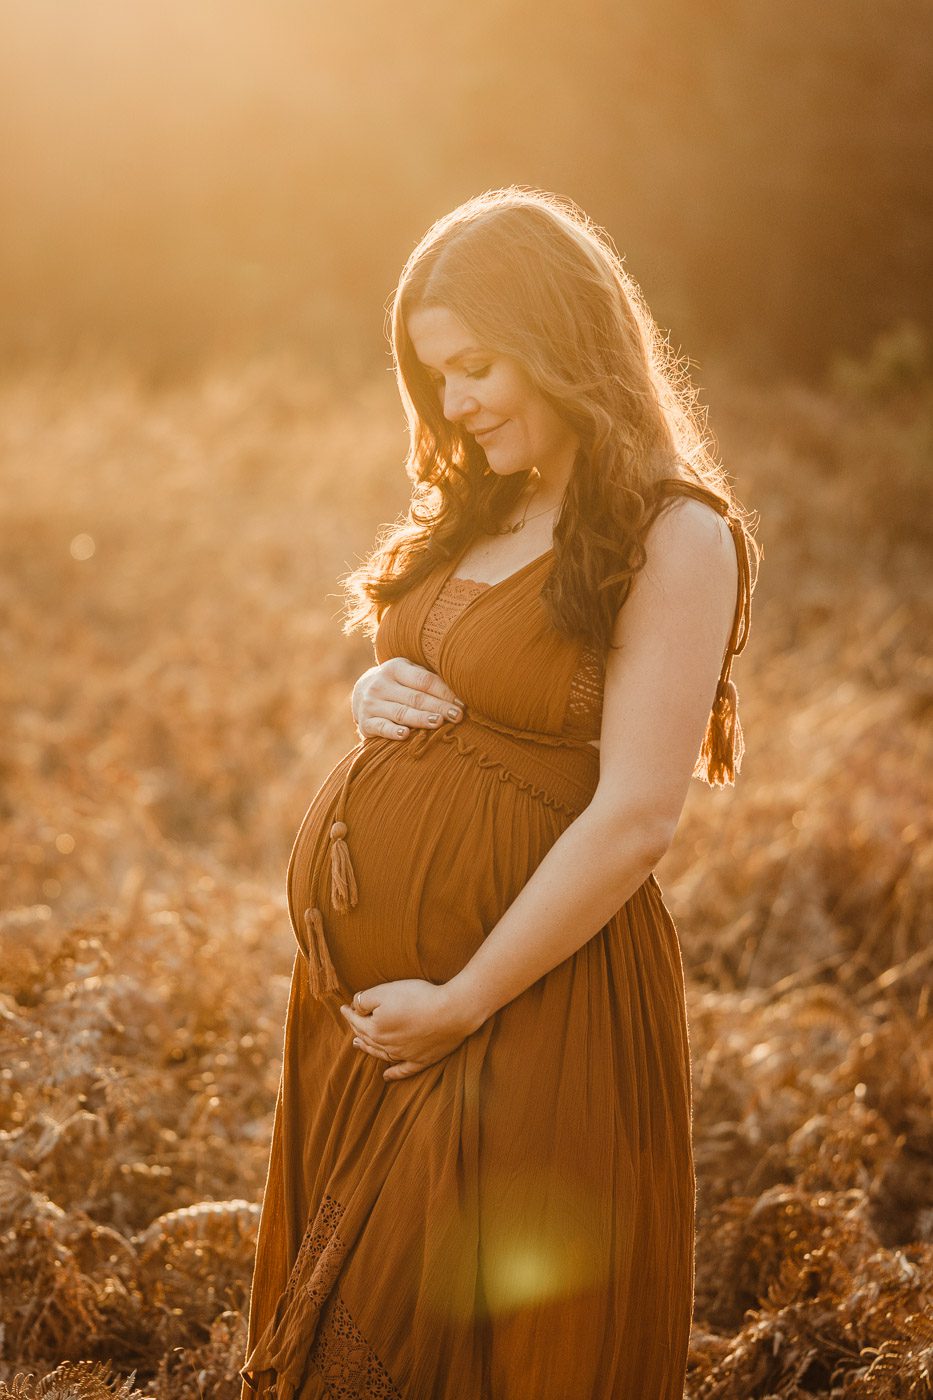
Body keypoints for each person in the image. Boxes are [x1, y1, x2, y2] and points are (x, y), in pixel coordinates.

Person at [239, 186, 758, 1400]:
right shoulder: (484, 502)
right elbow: (441, 676)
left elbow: (637, 814)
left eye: (476, 365)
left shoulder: (675, 538)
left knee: (467, 1355)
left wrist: (464, 999)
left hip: (526, 1005)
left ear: (564, 336)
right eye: (436, 380)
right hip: (372, 1018)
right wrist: (377, 699)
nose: (457, 404)